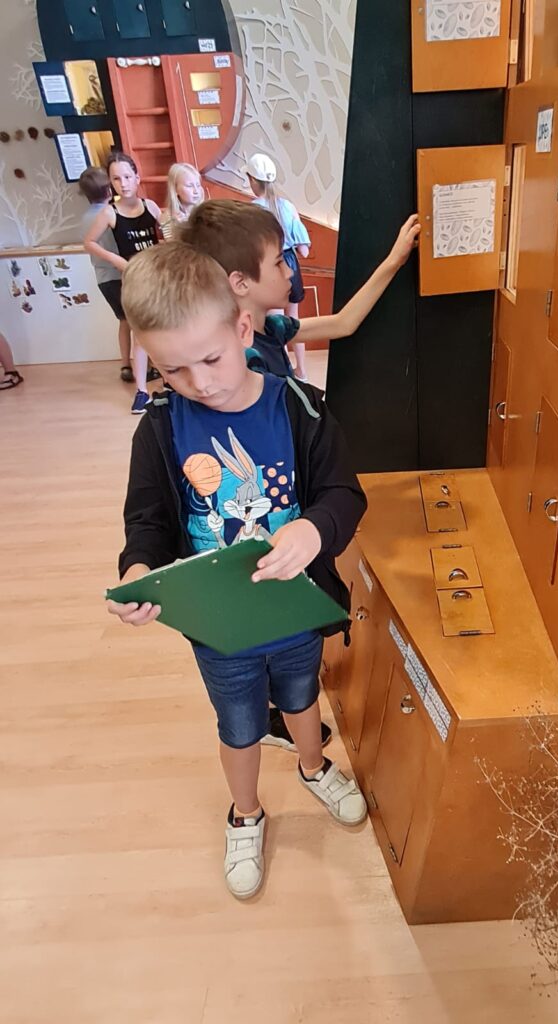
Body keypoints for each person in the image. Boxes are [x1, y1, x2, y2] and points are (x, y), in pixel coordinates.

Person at [107, 242, 368, 899]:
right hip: (220, 625)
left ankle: (313, 766)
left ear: (243, 330)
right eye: (172, 369)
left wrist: (312, 529)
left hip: (295, 607)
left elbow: (344, 495)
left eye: (211, 359)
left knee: (301, 696)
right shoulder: (160, 429)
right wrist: (138, 569)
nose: (199, 383)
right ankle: (245, 813)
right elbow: (146, 521)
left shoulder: (300, 406)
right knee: (240, 724)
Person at [180, 200, 420, 381]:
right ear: (240, 283)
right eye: (278, 263)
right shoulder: (246, 361)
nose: (289, 272)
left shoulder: (272, 328)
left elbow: (343, 323)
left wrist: (394, 260)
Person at [83, 151, 162, 415]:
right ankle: (141, 391)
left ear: (137, 177)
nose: (123, 183)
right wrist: (116, 260)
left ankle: (170, 381)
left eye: (127, 177)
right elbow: (89, 242)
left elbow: (169, 232)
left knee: (163, 330)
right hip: (134, 281)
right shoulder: (110, 212)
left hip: (157, 278)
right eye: (117, 179)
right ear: (111, 183)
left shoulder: (151, 207)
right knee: (139, 335)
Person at [244, 154, 311, 381]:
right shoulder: (288, 206)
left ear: (252, 180)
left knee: (275, 326)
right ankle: (302, 371)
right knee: (295, 322)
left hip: (271, 267)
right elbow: (304, 250)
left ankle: (284, 373)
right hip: (292, 265)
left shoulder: (252, 210)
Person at [79, 166, 133, 383]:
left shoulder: (85, 218)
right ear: (110, 189)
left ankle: (126, 364)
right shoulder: (110, 215)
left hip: (103, 279)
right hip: (121, 276)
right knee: (138, 322)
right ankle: (146, 365)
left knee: (124, 321)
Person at [159, 163, 205, 240]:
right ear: (175, 189)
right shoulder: (167, 217)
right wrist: (180, 228)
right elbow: (172, 245)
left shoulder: (206, 211)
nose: (196, 191)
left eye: (198, 185)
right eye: (189, 186)